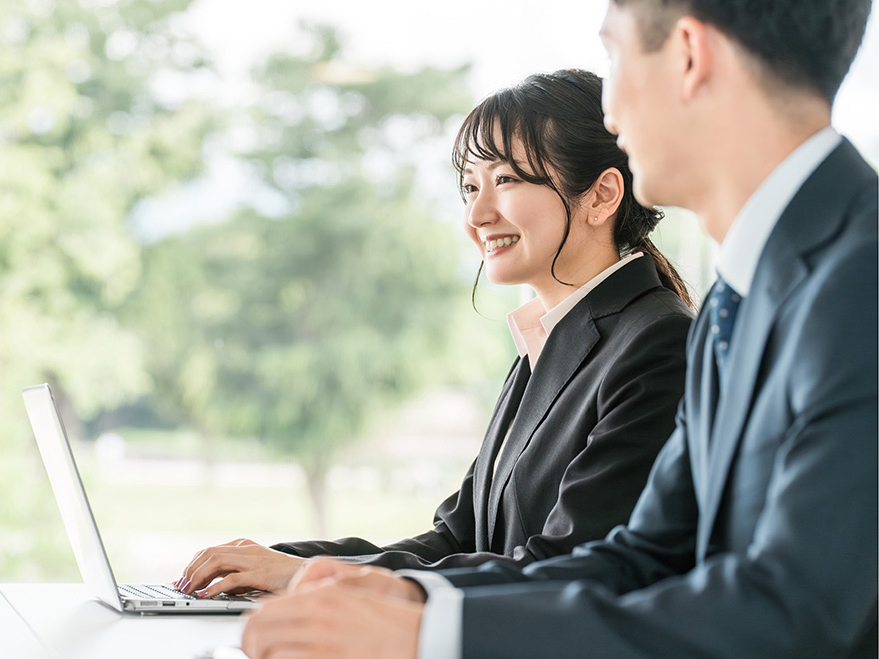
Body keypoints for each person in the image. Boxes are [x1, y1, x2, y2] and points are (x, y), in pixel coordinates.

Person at [238, 0, 879, 657]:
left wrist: (432, 634)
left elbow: (794, 609)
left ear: (689, 56)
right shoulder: (738, 297)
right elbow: (642, 557)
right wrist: (413, 599)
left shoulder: (859, 283)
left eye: (616, 55)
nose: (609, 113)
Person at [172, 69, 695, 599]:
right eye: (470, 187)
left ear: (602, 195)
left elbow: (569, 567)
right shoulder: (548, 343)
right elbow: (456, 540)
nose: (476, 213)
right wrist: (282, 564)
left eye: (506, 180)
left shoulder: (657, 344)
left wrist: (310, 578)